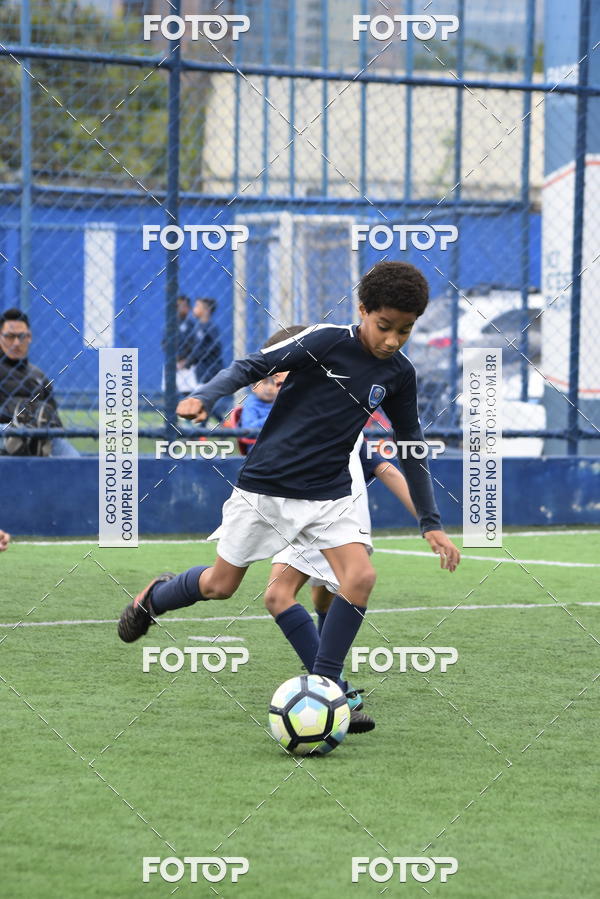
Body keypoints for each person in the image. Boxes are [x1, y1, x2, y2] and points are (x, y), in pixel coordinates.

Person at [118, 261, 461, 739]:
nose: (391, 340)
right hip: (267, 486)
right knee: (220, 585)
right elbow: (251, 366)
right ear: (362, 310)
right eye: (384, 326)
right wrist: (206, 394)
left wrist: (431, 522)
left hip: (328, 496)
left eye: (405, 330)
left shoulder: (400, 373)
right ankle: (153, 597)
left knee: (359, 578)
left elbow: (411, 443)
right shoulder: (324, 341)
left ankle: (326, 690)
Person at [258, 326, 418, 733]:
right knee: (318, 597)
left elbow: (382, 466)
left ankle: (334, 692)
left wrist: (427, 518)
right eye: (271, 378)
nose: (274, 383)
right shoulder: (301, 416)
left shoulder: (331, 419)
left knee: (280, 594)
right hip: (308, 517)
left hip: (328, 517)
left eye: (280, 376)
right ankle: (335, 687)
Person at [0, 308, 78, 457]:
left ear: (29, 337)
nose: (16, 342)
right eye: (9, 336)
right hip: (4, 428)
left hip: (40, 432)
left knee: (72, 458)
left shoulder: (39, 375)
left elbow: (53, 417)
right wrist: (21, 411)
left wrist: (41, 416)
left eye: (21, 336)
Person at [185, 297, 230, 421]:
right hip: (202, 369)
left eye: (197, 306)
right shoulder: (199, 326)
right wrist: (190, 360)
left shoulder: (210, 327)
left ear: (206, 310)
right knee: (203, 399)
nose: (194, 309)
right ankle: (221, 425)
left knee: (203, 399)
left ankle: (212, 427)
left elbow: (213, 346)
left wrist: (193, 358)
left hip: (210, 370)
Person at [238, 375, 279, 452]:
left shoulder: (279, 401)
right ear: (254, 387)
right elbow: (248, 429)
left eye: (274, 383)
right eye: (264, 382)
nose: (270, 388)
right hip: (259, 449)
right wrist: (272, 418)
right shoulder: (251, 404)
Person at [174, 295, 198, 393]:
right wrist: (173, 360)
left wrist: (185, 361)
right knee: (171, 391)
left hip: (186, 364)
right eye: (178, 306)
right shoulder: (171, 324)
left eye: (184, 306)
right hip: (173, 364)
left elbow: (193, 345)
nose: (180, 308)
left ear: (188, 308)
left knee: (187, 393)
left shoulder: (191, 325)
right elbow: (165, 344)